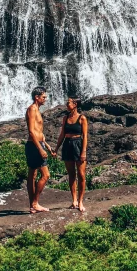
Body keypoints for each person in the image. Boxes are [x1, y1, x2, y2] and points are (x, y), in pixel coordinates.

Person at [54, 97, 88, 212]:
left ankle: (81, 201)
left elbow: (85, 136)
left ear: (75, 104)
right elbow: (62, 135)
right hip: (67, 145)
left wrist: (83, 151)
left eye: (68, 103)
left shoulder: (82, 118)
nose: (66, 104)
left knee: (81, 175)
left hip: (78, 144)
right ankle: (74, 200)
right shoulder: (65, 118)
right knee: (71, 174)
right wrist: (56, 148)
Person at [25, 86, 53, 214]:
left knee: (33, 174)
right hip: (35, 146)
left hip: (36, 144)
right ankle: (35, 203)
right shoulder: (32, 109)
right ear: (37, 97)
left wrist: (46, 145)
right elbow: (31, 131)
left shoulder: (37, 110)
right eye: (43, 97)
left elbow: (38, 132)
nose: (45, 99)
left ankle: (32, 206)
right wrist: (40, 149)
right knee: (46, 175)